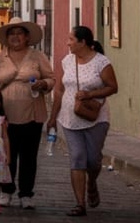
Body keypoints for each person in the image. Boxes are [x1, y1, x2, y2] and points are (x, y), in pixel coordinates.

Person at [0, 17, 54, 210]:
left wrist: (43, 84)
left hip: (33, 113)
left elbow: (51, 78)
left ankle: (26, 193)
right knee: (7, 155)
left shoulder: (38, 56)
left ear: (27, 36)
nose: (15, 37)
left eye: (19, 33)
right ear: (6, 38)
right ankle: (7, 190)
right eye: (11, 34)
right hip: (5, 117)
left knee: (29, 156)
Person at [48, 26, 118, 217]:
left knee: (93, 161)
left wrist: (90, 94)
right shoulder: (67, 61)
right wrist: (52, 118)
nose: (68, 42)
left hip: (96, 118)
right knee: (78, 157)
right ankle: (80, 203)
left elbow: (113, 87)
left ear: (83, 42)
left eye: (71, 39)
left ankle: (92, 183)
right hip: (69, 118)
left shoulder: (101, 62)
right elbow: (60, 90)